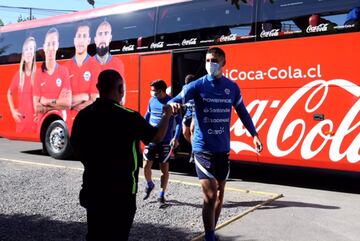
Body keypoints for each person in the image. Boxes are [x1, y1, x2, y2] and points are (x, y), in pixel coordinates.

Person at [168, 47, 263, 241]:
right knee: (210, 195)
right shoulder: (196, 85)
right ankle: (210, 237)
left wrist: (254, 134)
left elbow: (242, 112)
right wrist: (172, 105)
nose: (211, 63)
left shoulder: (232, 87)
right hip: (203, 149)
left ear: (223, 63)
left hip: (223, 150)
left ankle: (212, 231)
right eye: (208, 60)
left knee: (220, 195)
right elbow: (174, 100)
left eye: (215, 60)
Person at [70, 69, 173, 241]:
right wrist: (166, 115)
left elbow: (77, 148)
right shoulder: (128, 116)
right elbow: (156, 137)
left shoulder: (84, 115)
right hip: (121, 192)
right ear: (121, 89)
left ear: (98, 87)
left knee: (95, 234)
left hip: (93, 188)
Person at [143, 79, 182, 206]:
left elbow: (180, 123)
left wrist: (175, 137)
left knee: (163, 168)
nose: (153, 93)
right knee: (145, 165)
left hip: (165, 141)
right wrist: (141, 129)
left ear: (162, 91)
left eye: (155, 91)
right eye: (152, 91)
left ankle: (161, 194)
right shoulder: (152, 100)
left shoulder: (171, 103)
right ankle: (150, 184)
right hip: (151, 139)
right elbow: (147, 116)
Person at [33, 27, 71, 120]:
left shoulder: (63, 71)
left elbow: (67, 104)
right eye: (48, 44)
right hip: (42, 123)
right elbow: (36, 107)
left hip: (60, 120)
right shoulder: (38, 74)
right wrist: (57, 103)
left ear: (57, 45)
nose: (51, 48)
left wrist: (46, 101)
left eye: (53, 44)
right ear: (44, 47)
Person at [65, 22, 100, 120]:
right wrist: (84, 96)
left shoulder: (95, 65)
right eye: (79, 36)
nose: (81, 40)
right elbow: (63, 101)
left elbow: (94, 99)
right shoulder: (65, 67)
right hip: (68, 120)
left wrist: (73, 101)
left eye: (84, 36)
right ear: (74, 40)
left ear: (88, 40)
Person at [7, 36, 37, 134]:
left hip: (35, 124)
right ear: (23, 54)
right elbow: (9, 93)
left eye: (31, 49)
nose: (29, 52)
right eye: (26, 49)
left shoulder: (38, 74)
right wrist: (13, 111)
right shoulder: (19, 75)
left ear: (34, 53)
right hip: (22, 124)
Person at [94, 20, 126, 104]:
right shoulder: (88, 64)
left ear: (110, 38)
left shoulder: (118, 63)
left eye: (106, 33)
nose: (103, 37)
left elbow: (122, 99)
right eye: (100, 34)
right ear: (95, 39)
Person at [182, 74, 196, 163]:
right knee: (184, 132)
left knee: (192, 130)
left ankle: (193, 152)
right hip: (188, 112)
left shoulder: (196, 87)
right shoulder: (184, 88)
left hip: (195, 111)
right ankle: (195, 146)